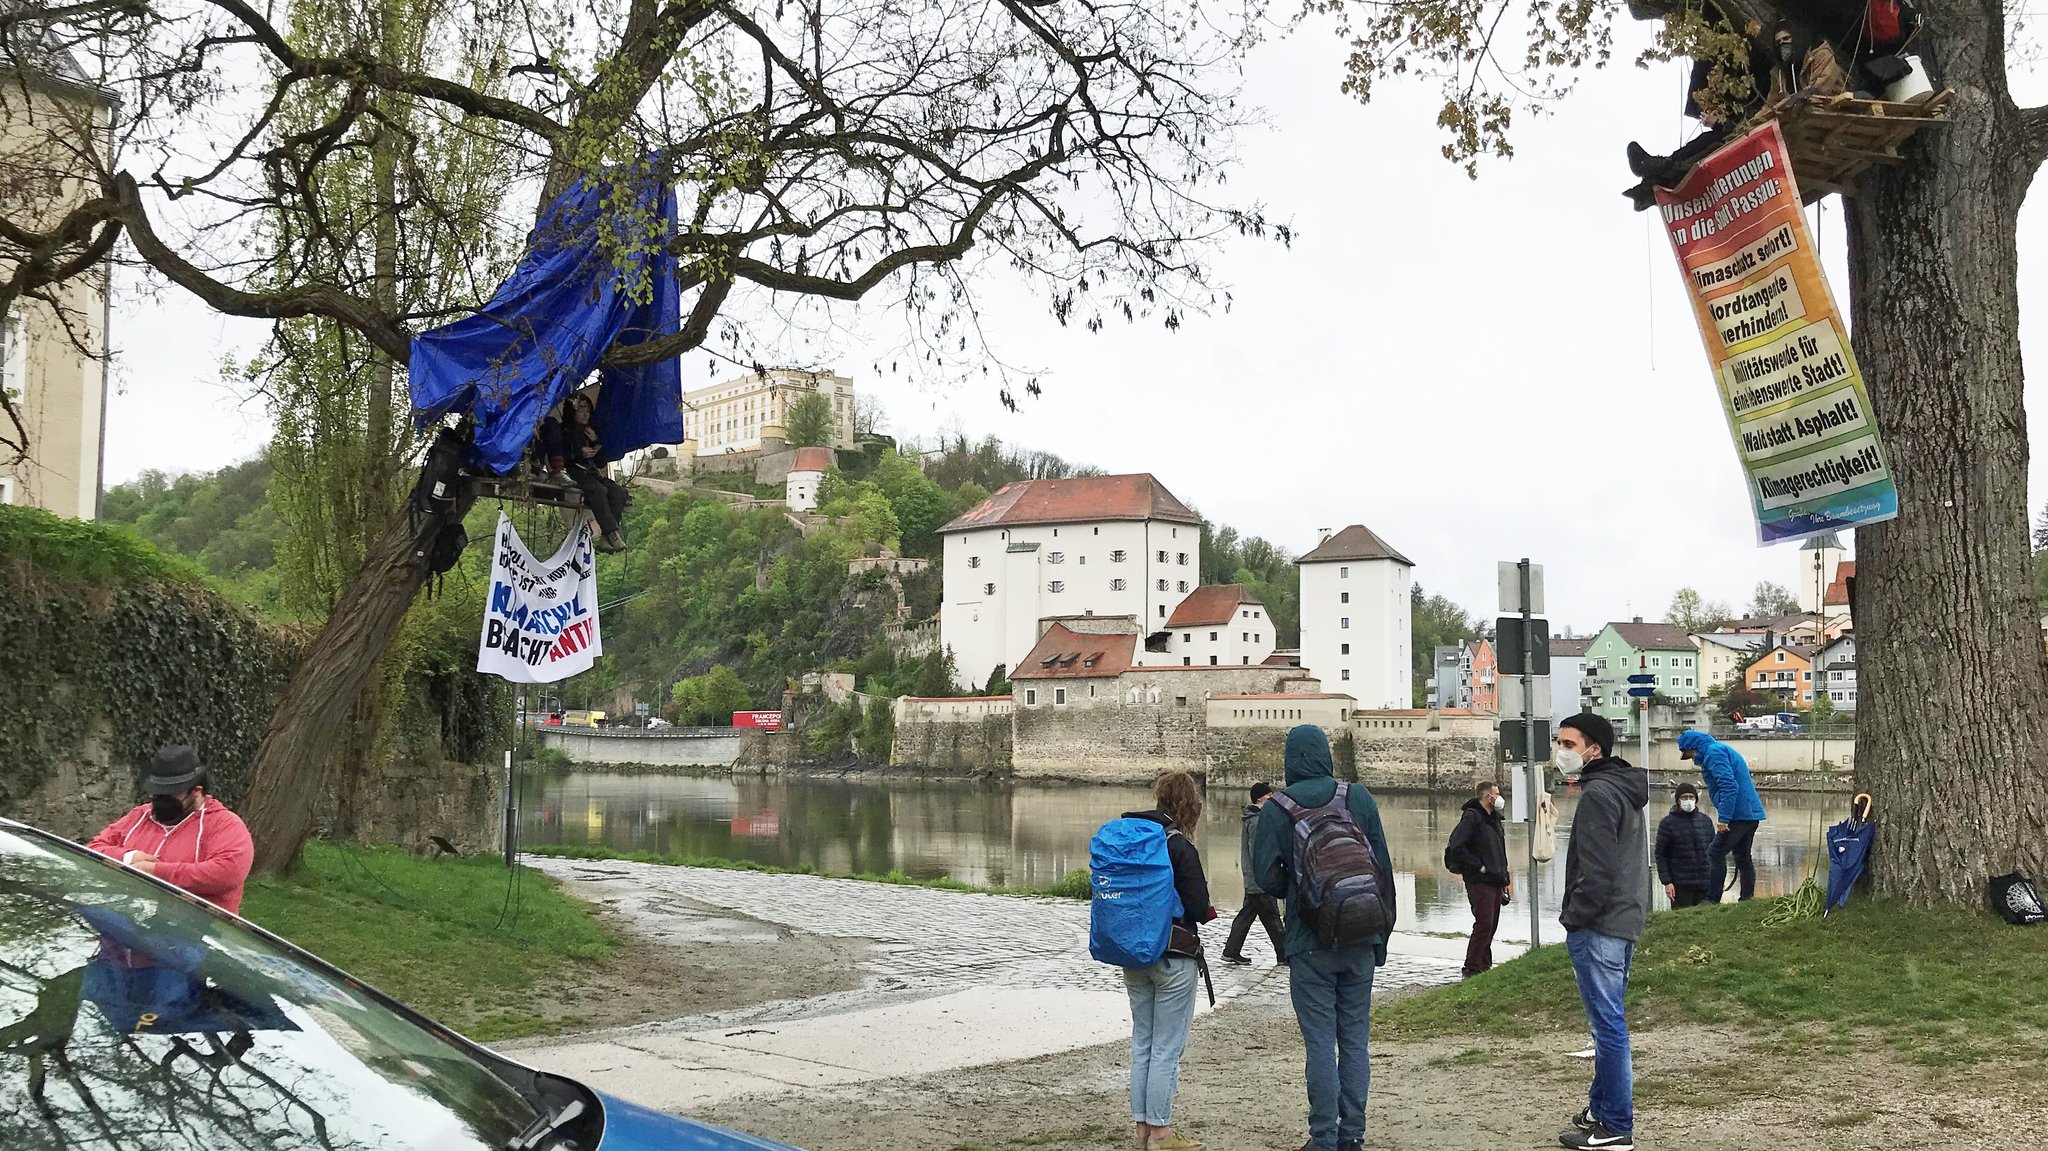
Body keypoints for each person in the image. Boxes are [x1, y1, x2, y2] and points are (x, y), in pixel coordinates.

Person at [1251, 726, 1394, 1151]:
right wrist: (1380, 936)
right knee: (1354, 1039)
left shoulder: (1277, 808)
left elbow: (1264, 877)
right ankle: (1353, 1136)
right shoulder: (1357, 797)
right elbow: (1382, 868)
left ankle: (1323, 1139)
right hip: (1362, 934)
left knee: (1318, 1043)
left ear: (1290, 760)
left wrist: (1301, 891)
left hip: (1308, 940)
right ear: (1326, 755)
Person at [1554, 713, 1648, 1151]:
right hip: (1625, 917)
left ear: (1594, 749)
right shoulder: (1624, 790)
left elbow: (1598, 869)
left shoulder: (1598, 795)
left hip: (1601, 922)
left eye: (1568, 743)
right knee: (1607, 1023)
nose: (1561, 751)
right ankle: (1602, 1107)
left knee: (1607, 1026)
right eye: (1560, 742)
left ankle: (1616, 1127)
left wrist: (1576, 915)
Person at [1121, 770, 1215, 1151]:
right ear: (1188, 806)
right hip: (1174, 957)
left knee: (1143, 1041)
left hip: (1132, 954)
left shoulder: (1132, 840)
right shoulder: (1179, 846)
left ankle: (1141, 1131)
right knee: (1166, 1048)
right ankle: (1161, 1134)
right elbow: (1196, 904)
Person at [86, 746, 255, 915]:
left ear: (197, 791)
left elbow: (227, 873)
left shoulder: (224, 824)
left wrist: (156, 872)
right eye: (157, 793)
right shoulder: (140, 815)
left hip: (196, 931)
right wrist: (128, 857)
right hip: (126, 919)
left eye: (169, 794)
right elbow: (93, 848)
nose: (160, 801)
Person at [1679, 729, 1767, 901]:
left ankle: (1712, 899)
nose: (1688, 757)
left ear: (1693, 747)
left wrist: (1724, 818)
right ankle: (1746, 899)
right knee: (1742, 856)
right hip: (1750, 812)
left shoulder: (1714, 753)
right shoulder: (1717, 749)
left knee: (1715, 852)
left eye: (1686, 752)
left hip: (1738, 814)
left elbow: (1729, 786)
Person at [1444, 779, 1512, 978]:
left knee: (1491, 925)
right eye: (1496, 794)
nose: (1499, 797)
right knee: (1484, 922)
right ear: (1487, 796)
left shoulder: (1495, 820)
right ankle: (1472, 967)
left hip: (1495, 880)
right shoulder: (1471, 818)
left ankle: (1484, 966)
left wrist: (1505, 878)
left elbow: (1500, 851)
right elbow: (1457, 847)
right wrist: (1479, 866)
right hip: (1479, 880)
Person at [1220, 781, 1286, 966]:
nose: (1272, 799)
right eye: (1269, 796)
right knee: (1272, 917)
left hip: (1253, 878)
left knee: (1246, 916)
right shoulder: (1257, 821)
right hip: (1260, 879)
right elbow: (1259, 852)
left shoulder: (1253, 818)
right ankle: (1284, 955)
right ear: (1260, 798)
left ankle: (1231, 951)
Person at [562, 392, 630, 553]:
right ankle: (612, 533)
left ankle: (607, 536)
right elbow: (561, 457)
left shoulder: (590, 431)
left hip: (592, 473)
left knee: (619, 492)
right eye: (581, 410)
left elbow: (601, 462)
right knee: (598, 491)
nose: (585, 414)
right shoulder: (564, 432)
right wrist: (580, 454)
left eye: (587, 411)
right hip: (573, 472)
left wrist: (595, 441)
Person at [1655, 782, 1719, 908]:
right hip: (1681, 886)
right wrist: (1667, 882)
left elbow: (1714, 851)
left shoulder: (1705, 821)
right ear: (1678, 800)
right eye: (1684, 797)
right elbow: (1661, 855)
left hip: (1705, 884)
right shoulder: (1667, 823)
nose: (1688, 800)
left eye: (1691, 797)